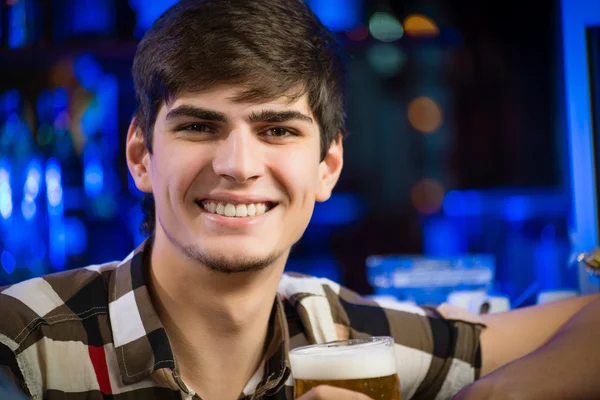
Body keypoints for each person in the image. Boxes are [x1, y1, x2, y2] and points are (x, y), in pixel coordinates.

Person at [0, 0, 599, 399]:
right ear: (139, 156)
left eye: (278, 130)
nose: (237, 165)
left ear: (327, 167)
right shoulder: (26, 344)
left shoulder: (338, 330)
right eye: (199, 127)